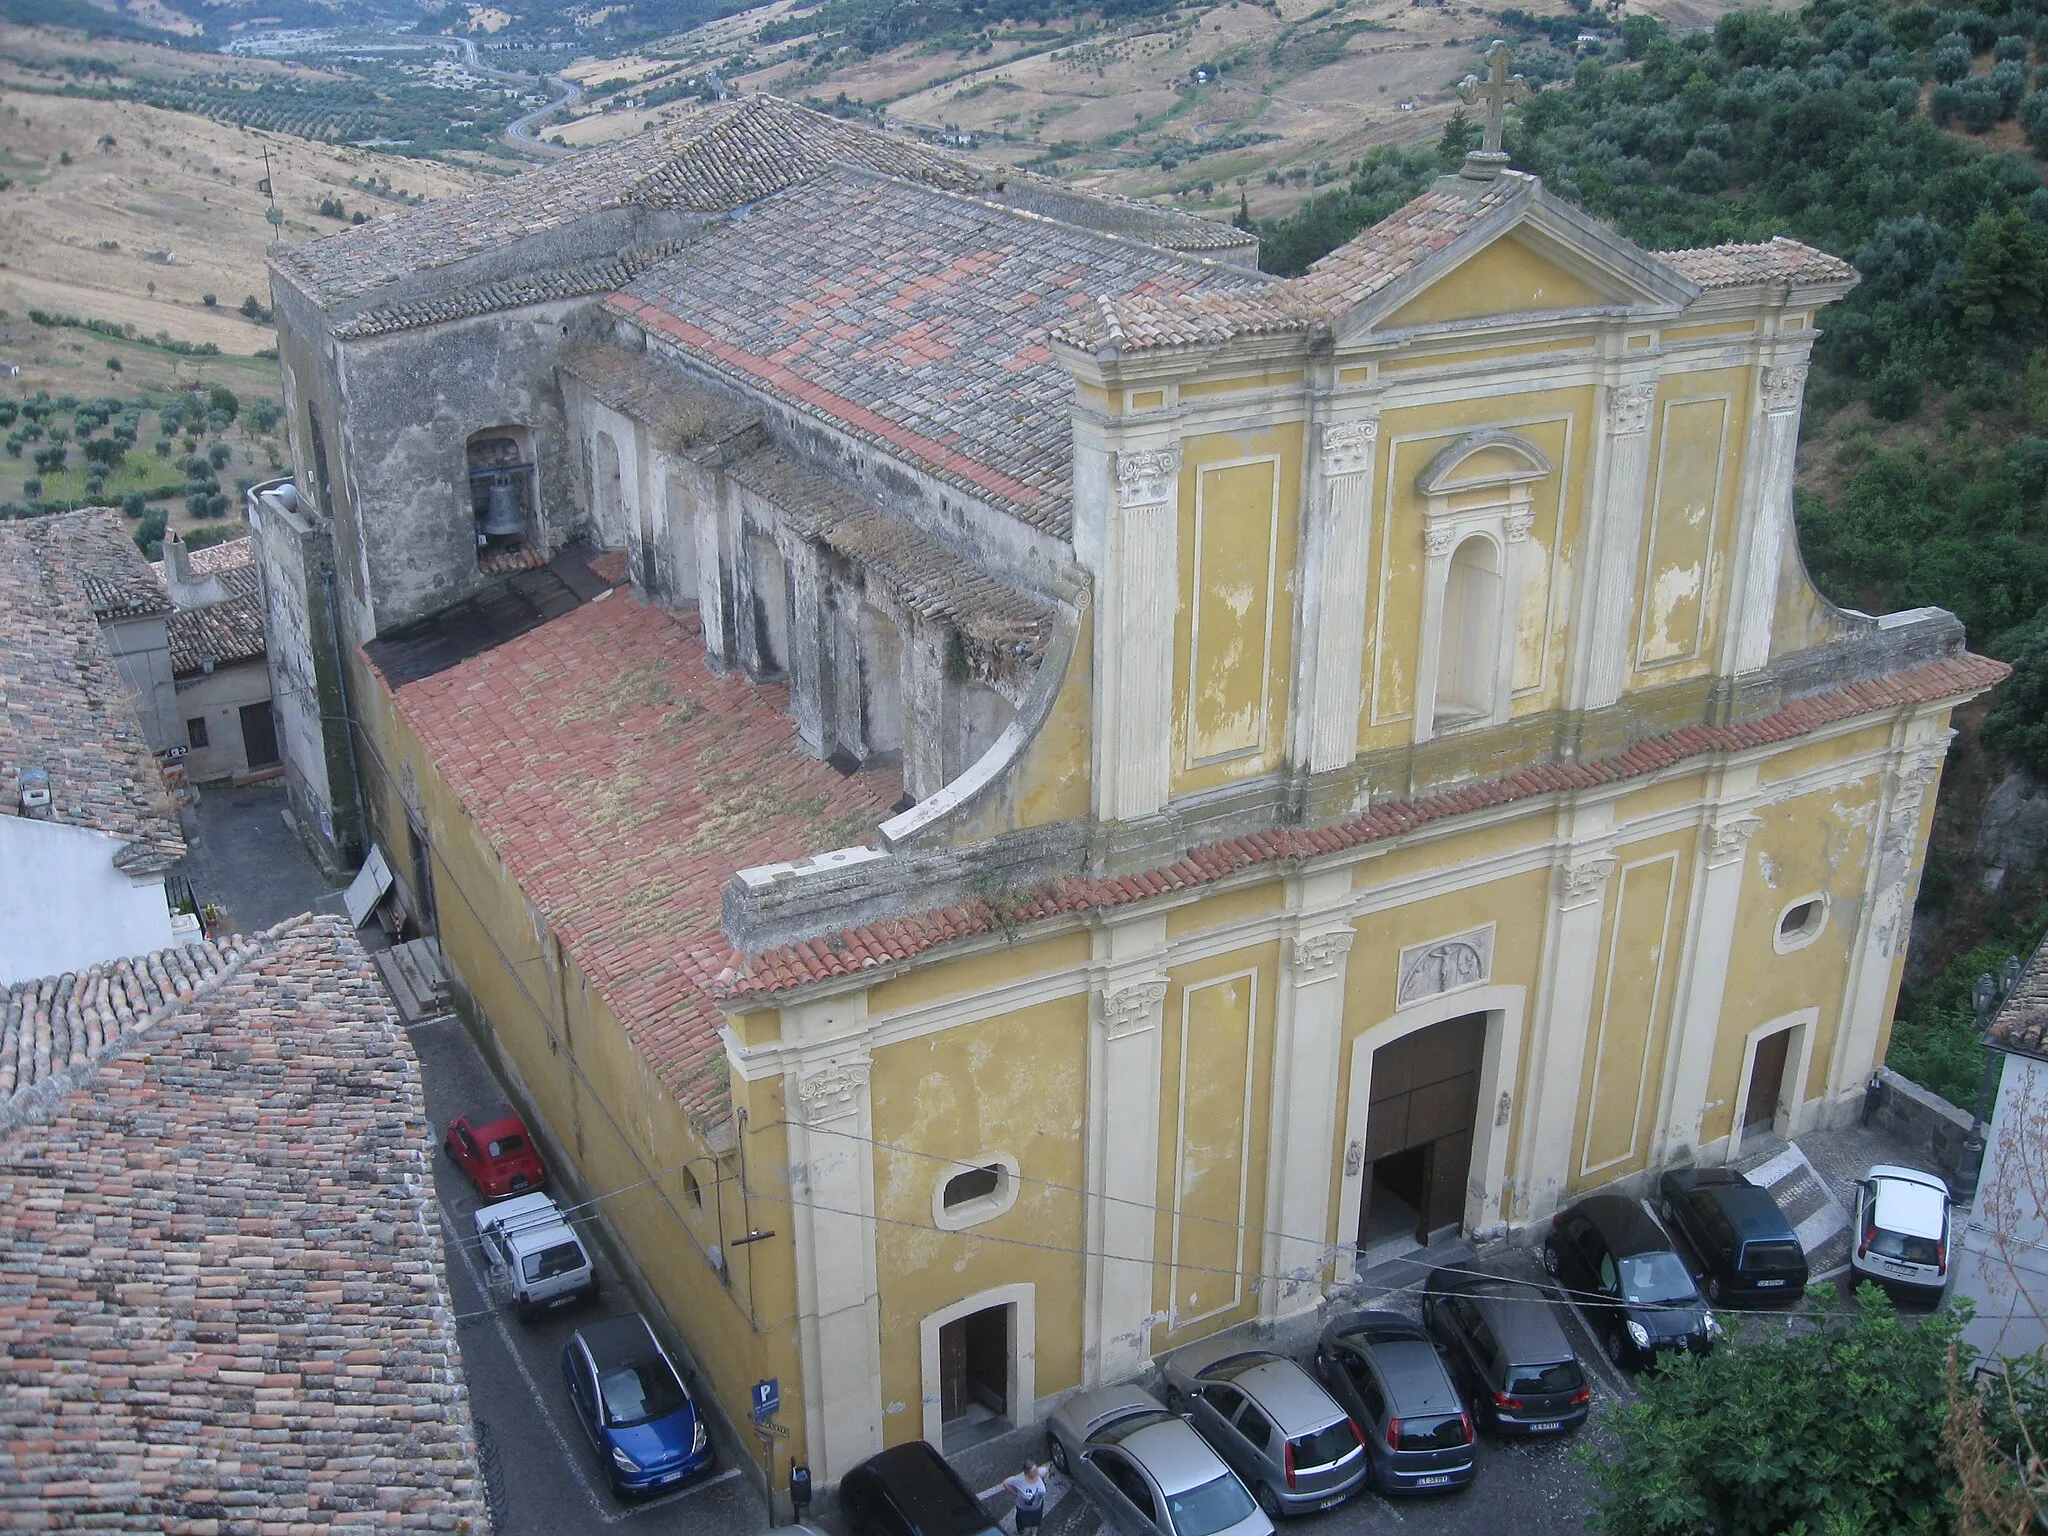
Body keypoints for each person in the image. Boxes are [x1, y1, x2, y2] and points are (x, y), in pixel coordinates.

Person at [1003, 1460, 1049, 1533]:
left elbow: (1046, 1470)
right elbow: (1005, 1483)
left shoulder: (1039, 1473)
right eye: (1034, 1471)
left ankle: (1033, 1534)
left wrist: (1046, 1480)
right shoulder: (1019, 1480)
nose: (1037, 1472)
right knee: (1022, 1524)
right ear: (1027, 1473)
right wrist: (1016, 1492)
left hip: (1038, 1507)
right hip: (1023, 1509)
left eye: (1036, 1469)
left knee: (1036, 1522)